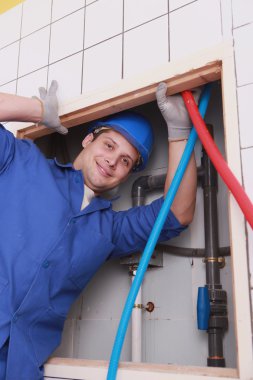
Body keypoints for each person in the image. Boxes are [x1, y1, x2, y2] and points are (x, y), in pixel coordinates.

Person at [0, 81, 199, 379]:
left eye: (125, 161)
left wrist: (180, 135)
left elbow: (178, 213)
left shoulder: (111, 230)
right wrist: (41, 111)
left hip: (20, 367)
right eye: (109, 145)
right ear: (88, 139)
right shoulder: (22, 162)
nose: (112, 161)